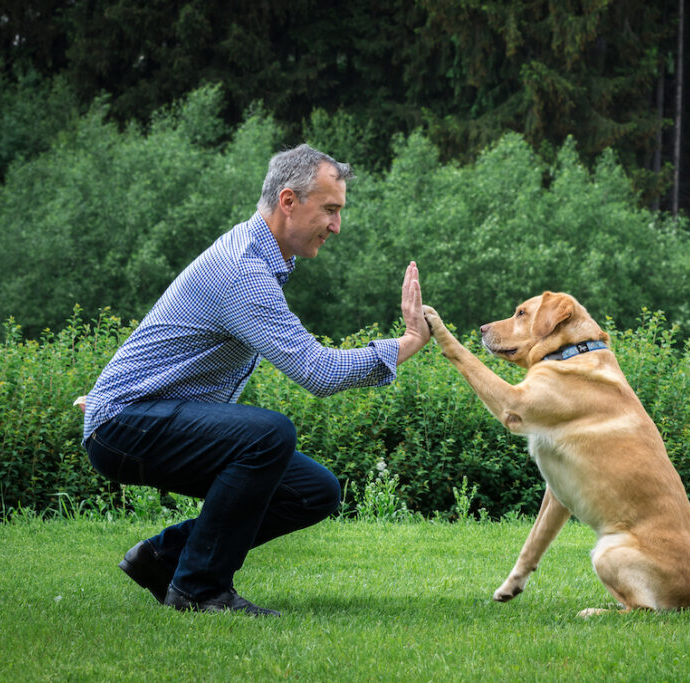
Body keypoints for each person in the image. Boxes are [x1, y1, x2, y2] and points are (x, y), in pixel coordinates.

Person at [80, 144, 431, 616]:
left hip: (136, 417)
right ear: (288, 201)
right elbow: (318, 372)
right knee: (269, 434)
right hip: (126, 423)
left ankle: (163, 559)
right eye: (330, 209)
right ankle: (200, 589)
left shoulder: (253, 258)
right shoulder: (244, 271)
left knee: (314, 491)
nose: (336, 226)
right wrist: (408, 341)